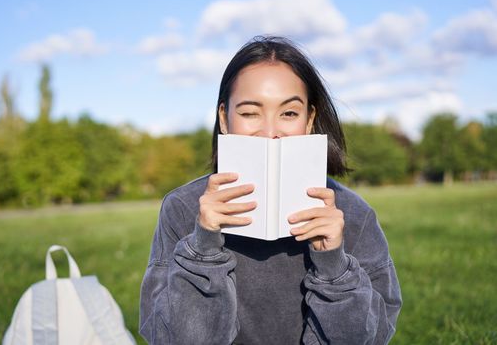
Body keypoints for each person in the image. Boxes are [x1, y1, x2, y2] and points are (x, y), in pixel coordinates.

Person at [139, 35, 402, 344]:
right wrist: (204, 245)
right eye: (250, 112)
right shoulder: (183, 208)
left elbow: (371, 337)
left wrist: (333, 264)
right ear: (224, 119)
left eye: (289, 113)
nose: (270, 132)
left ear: (309, 120)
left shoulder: (350, 212)